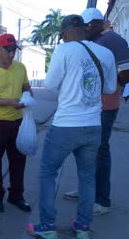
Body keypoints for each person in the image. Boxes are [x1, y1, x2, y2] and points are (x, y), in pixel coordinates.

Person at [26, 15, 117, 239]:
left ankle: (47, 226)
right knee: (87, 177)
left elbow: (49, 85)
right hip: (93, 125)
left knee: (48, 173)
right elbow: (110, 88)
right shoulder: (105, 53)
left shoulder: (64, 50)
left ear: (66, 32)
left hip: (66, 125)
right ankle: (83, 228)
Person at [63, 8, 129, 216]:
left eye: (86, 26)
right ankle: (86, 191)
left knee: (100, 152)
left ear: (94, 24)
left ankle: (102, 200)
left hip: (105, 107)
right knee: (86, 150)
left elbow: (126, 74)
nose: (85, 29)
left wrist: (108, 84)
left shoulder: (113, 40)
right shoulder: (98, 42)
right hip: (91, 107)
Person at [0, 33, 33, 213]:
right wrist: (9, 102)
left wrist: (28, 97)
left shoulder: (20, 67)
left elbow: (26, 87)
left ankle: (16, 196)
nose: (11, 54)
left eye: (13, 50)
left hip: (17, 122)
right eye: (7, 50)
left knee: (18, 160)